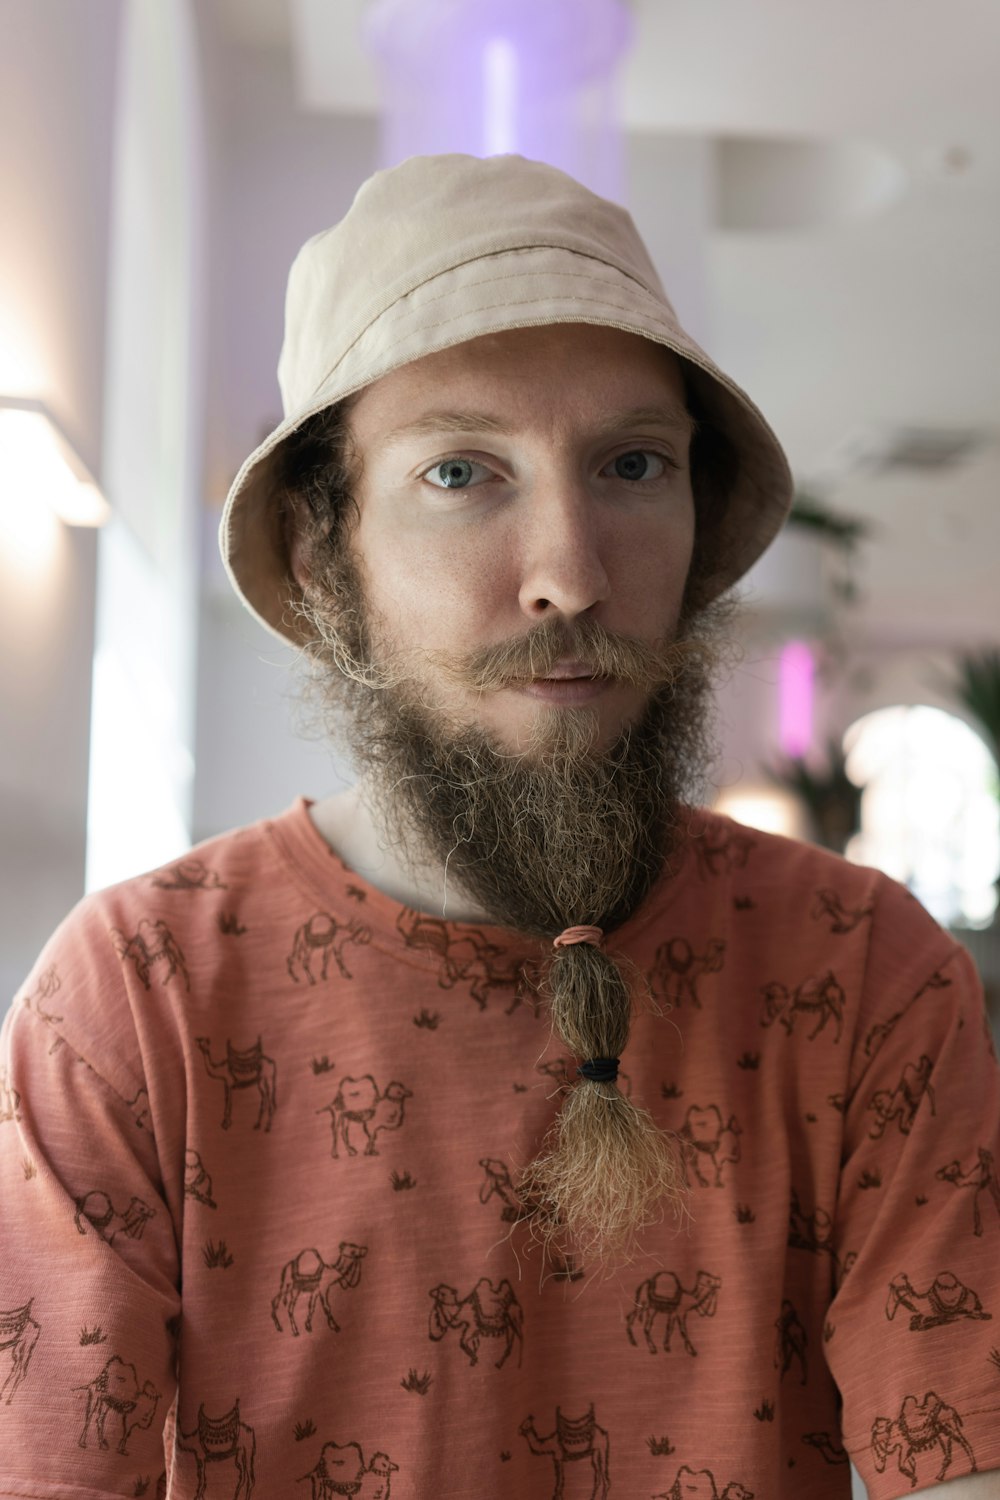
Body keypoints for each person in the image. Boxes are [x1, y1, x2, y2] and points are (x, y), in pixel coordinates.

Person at [1, 153, 998, 1500]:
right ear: (318, 550)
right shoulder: (137, 999)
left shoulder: (860, 969)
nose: (571, 574)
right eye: (462, 471)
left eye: (633, 464)